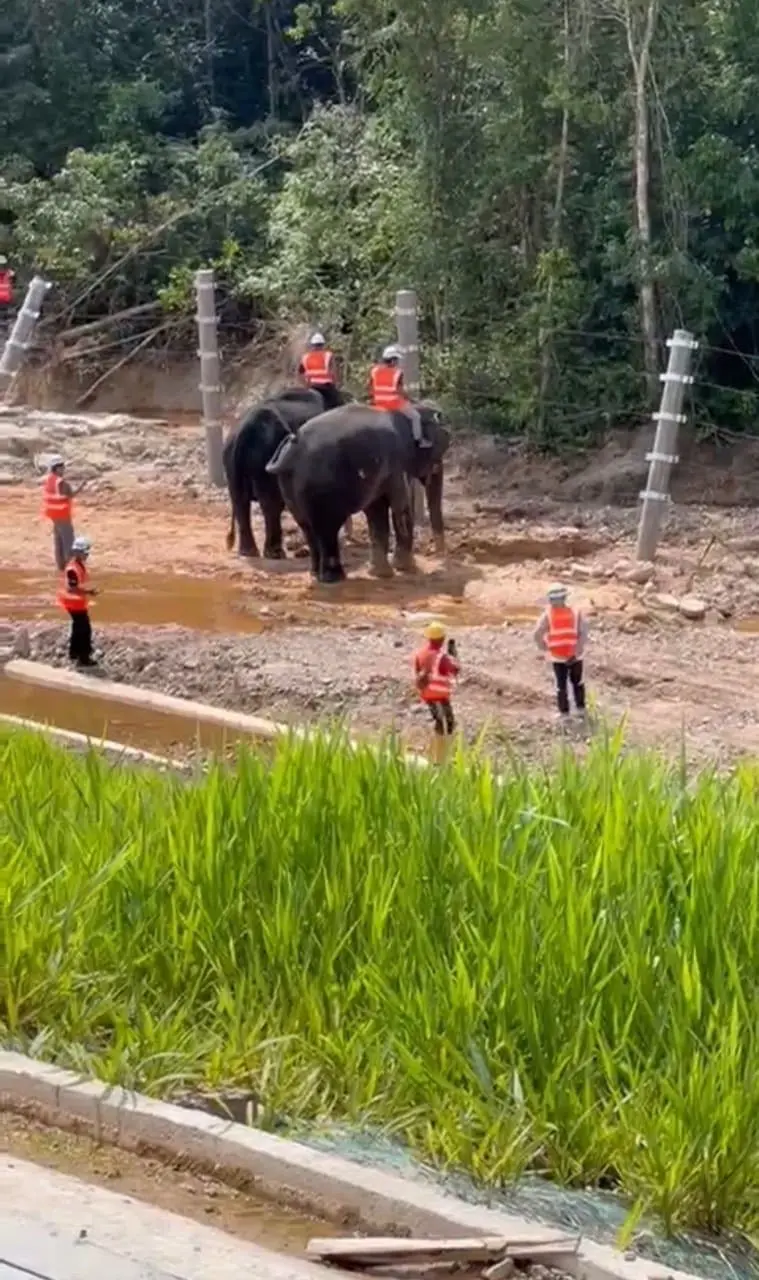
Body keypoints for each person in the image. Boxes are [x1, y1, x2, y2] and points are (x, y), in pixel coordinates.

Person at [533, 583, 589, 723]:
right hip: (575, 656)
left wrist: (545, 647)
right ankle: (580, 709)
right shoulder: (575, 613)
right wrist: (577, 651)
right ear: (565, 598)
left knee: (561, 685)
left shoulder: (548, 615)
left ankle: (564, 714)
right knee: (577, 682)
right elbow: (583, 633)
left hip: (557, 656)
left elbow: (537, 634)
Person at [414, 620, 460, 763]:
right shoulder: (441, 657)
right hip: (439, 695)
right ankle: (439, 759)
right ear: (442, 639)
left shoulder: (420, 653)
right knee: (446, 725)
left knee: (440, 723)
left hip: (427, 695)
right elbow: (454, 670)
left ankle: (435, 755)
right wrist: (454, 656)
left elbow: (417, 672)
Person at [370, 345, 431, 448]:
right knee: (416, 416)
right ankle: (419, 440)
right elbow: (400, 391)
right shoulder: (397, 373)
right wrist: (410, 399)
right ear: (392, 360)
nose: (397, 362)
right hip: (393, 403)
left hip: (378, 402)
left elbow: (370, 386)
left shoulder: (374, 370)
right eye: (397, 360)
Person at [57, 535, 98, 668]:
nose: (87, 555)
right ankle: (83, 657)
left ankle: (74, 653)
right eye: (85, 553)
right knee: (84, 629)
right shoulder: (73, 569)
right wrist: (89, 592)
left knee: (78, 626)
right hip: (73, 603)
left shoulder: (77, 565)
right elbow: (73, 588)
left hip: (76, 602)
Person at [41, 455, 87, 570]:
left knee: (59, 542)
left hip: (53, 515)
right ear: (56, 468)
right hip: (62, 515)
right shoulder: (61, 482)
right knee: (68, 542)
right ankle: (71, 567)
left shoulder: (49, 480)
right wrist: (82, 486)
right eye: (61, 467)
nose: (63, 469)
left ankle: (60, 566)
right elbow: (71, 494)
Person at [298, 332, 341, 409]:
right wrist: (336, 385)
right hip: (326, 387)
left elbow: (300, 373)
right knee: (337, 406)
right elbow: (334, 372)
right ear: (323, 345)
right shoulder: (328, 355)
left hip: (312, 387)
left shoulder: (305, 357)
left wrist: (305, 386)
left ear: (312, 345)